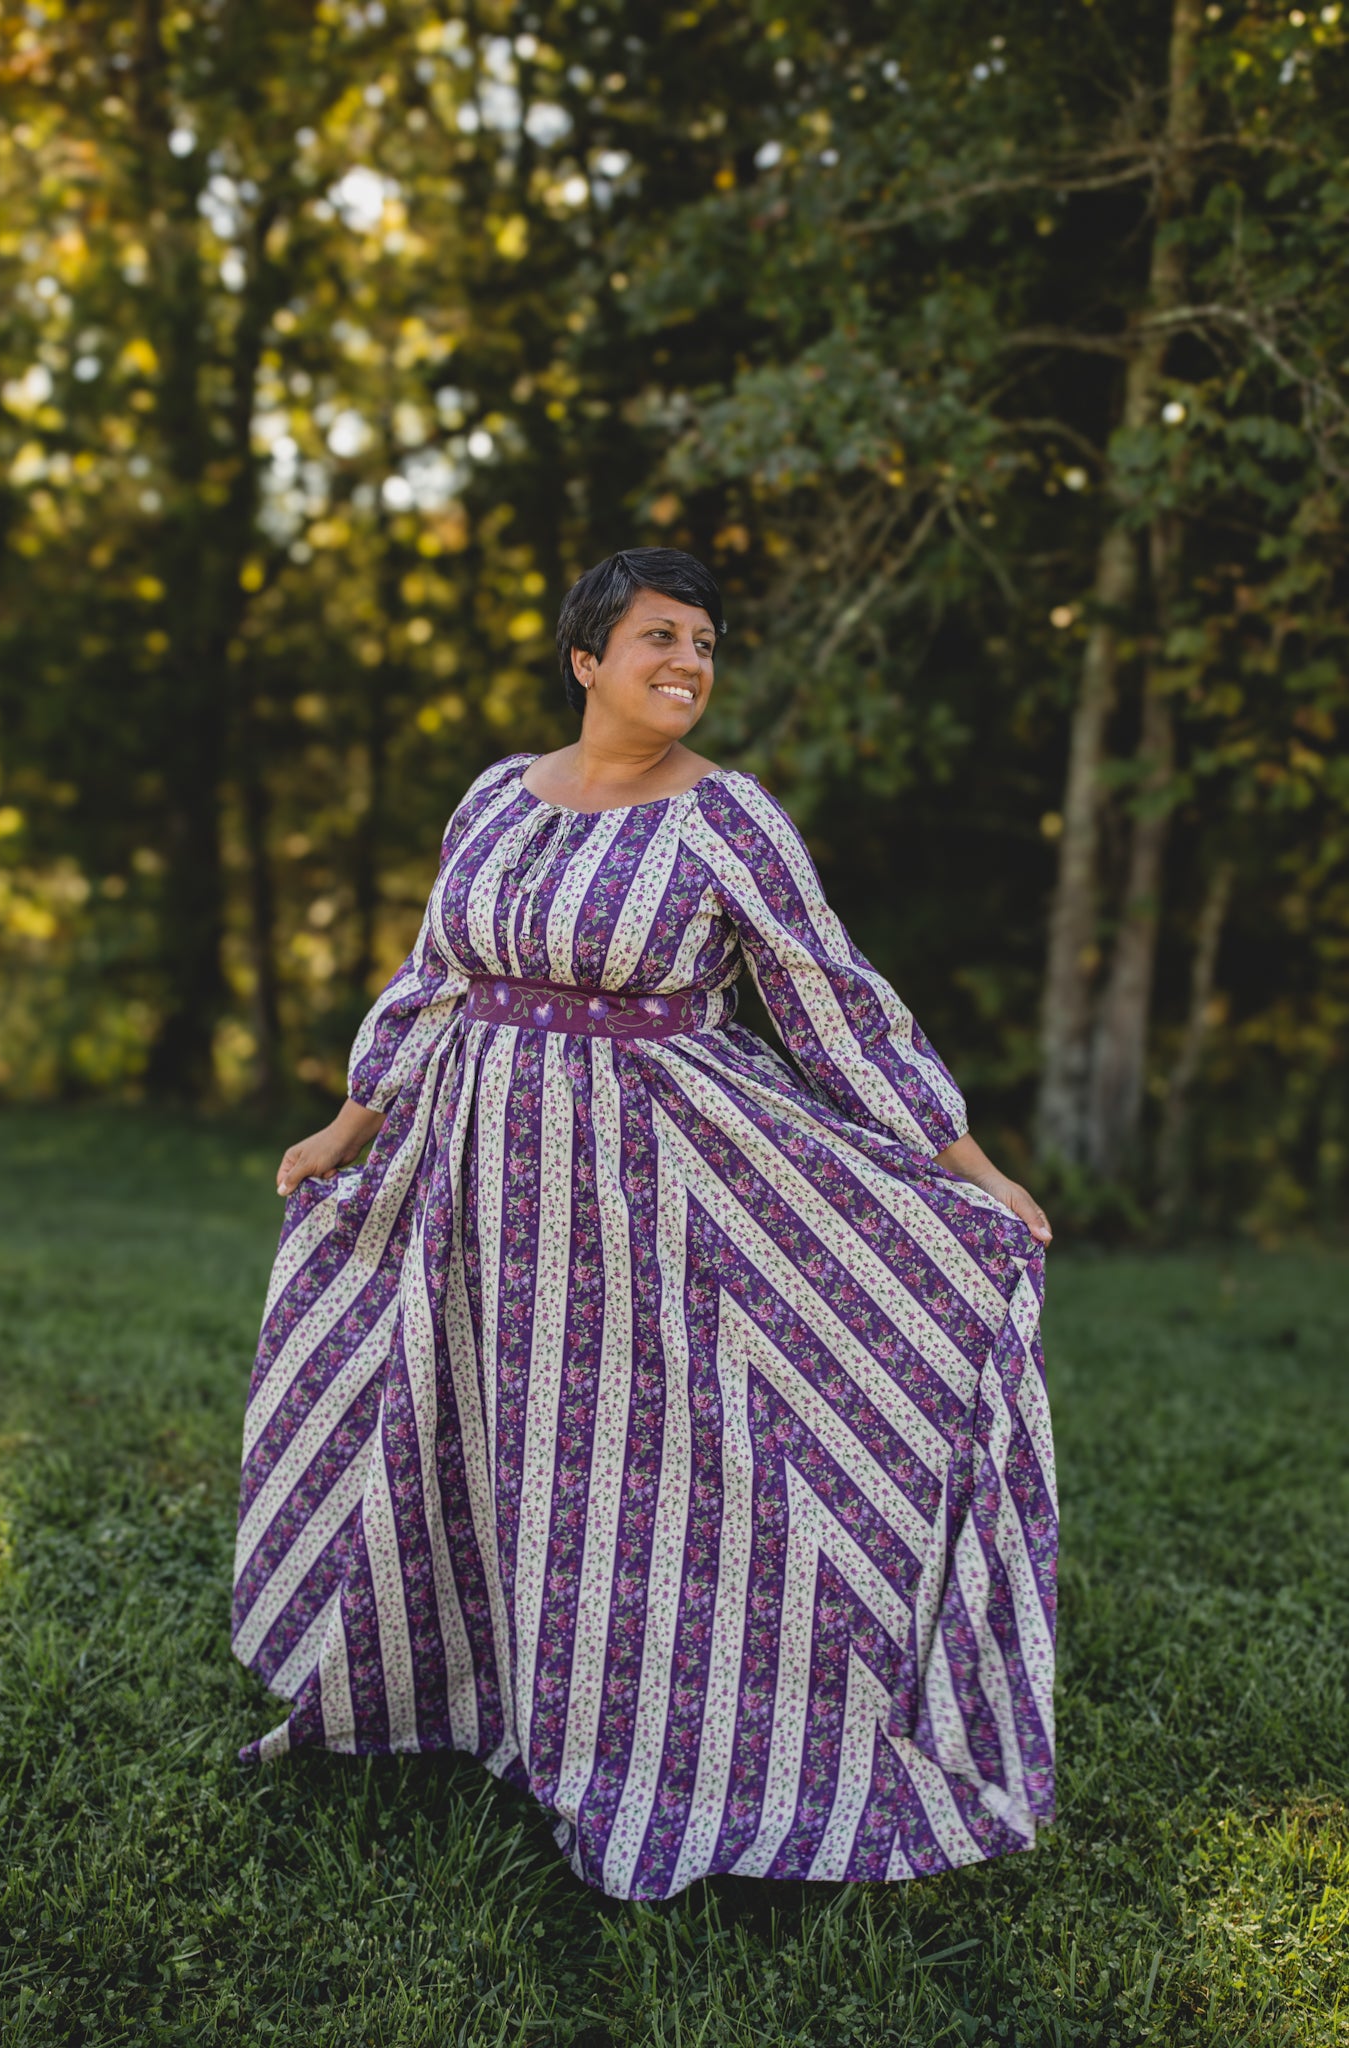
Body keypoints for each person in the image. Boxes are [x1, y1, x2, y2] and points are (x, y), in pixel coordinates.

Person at [232, 547, 1056, 1901]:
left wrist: (965, 1167)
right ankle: (467, 1695)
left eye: (706, 644)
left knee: (637, 1468)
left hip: (654, 1185)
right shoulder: (493, 796)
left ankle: (666, 1736)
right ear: (586, 659)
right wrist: (346, 1125)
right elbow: (430, 978)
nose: (687, 663)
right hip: (476, 1184)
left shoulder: (729, 820)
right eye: (659, 637)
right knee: (474, 1432)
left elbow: (832, 1004)